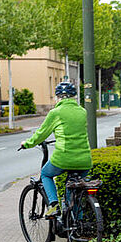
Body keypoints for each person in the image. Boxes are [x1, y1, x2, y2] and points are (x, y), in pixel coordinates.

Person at [20, 81, 92, 218]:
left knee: (46, 174)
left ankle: (53, 206)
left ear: (58, 97)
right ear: (74, 97)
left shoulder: (56, 113)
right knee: (73, 188)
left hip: (64, 158)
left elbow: (41, 134)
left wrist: (27, 144)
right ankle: (77, 225)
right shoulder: (83, 112)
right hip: (85, 160)